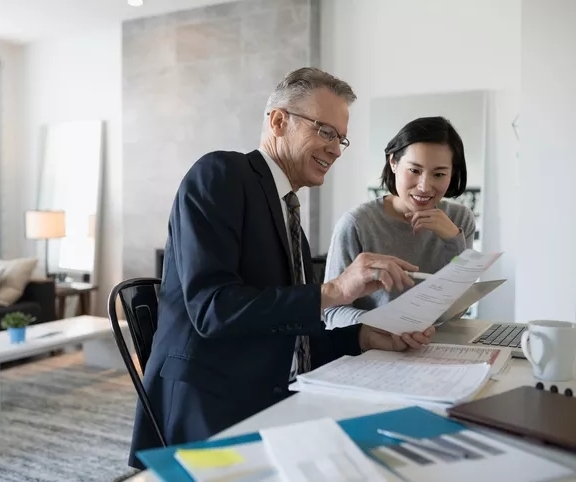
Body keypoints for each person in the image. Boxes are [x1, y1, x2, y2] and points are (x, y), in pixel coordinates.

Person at [128, 68, 436, 469]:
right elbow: (213, 310)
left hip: (272, 395)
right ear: (278, 121)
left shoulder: (287, 213)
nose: (337, 149)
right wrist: (335, 290)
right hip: (208, 409)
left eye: (340, 138)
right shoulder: (221, 174)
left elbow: (291, 334)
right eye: (325, 131)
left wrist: (364, 337)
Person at [323, 116, 476, 328]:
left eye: (439, 174)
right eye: (414, 170)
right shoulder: (356, 224)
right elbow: (331, 312)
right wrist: (383, 329)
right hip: (374, 352)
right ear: (393, 162)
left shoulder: (460, 220)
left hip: (438, 347)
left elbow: (459, 310)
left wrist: (454, 241)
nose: (424, 186)